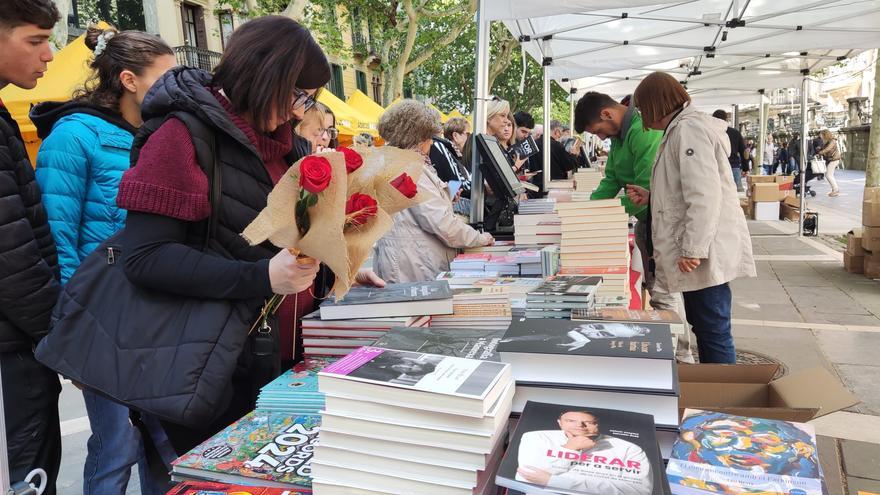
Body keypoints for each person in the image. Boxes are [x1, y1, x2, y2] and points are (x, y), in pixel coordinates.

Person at [112, 17, 385, 463]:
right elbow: (145, 258)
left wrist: (341, 264)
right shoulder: (180, 137)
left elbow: (297, 238)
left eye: (308, 99)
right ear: (264, 76)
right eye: (297, 95)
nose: (301, 110)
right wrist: (260, 276)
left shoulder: (287, 144)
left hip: (280, 360)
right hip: (207, 366)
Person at [30, 25, 176, 495]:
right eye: (165, 77)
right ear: (130, 80)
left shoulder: (159, 137)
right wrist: (72, 322)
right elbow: (56, 237)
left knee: (166, 442)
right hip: (98, 315)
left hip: (156, 313)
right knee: (116, 442)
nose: (175, 88)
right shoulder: (73, 137)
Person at [626, 71, 756, 364]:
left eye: (645, 110)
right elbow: (686, 189)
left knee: (712, 329)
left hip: (703, 250)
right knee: (708, 326)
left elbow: (703, 194)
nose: (644, 119)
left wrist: (693, 249)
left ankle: (723, 400)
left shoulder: (688, 130)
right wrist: (652, 195)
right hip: (700, 249)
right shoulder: (681, 128)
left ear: (656, 105)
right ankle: (719, 395)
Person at [575, 91, 693, 363]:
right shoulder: (620, 136)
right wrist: (585, 213)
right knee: (658, 288)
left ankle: (682, 356)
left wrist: (606, 213)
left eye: (599, 131)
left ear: (607, 114)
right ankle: (676, 350)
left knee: (666, 291)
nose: (601, 138)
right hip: (646, 220)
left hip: (660, 221)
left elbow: (645, 188)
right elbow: (612, 179)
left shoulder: (641, 130)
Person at [0, 2, 62, 492]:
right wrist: (56, 331)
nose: (48, 55)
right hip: (14, 343)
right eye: (36, 40)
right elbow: (11, 251)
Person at [373, 100, 493, 283]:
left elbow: (417, 210)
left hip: (407, 261)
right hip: (414, 265)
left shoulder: (395, 161)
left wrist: (445, 197)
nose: (431, 143)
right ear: (420, 137)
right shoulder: (410, 167)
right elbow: (442, 224)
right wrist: (479, 238)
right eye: (430, 137)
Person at [516, 410, 653, 495]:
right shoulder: (536, 437)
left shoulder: (628, 448)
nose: (579, 426)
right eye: (571, 421)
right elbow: (526, 477)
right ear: (560, 423)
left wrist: (552, 481)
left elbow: (639, 491)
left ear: (598, 425)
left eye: (588, 422)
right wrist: (569, 449)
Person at [430, 119, 471, 215]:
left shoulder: (447, 149)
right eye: (468, 134)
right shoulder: (439, 146)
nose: (470, 138)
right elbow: (455, 184)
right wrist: (480, 185)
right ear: (455, 136)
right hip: (455, 205)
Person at [710, 110, 746, 192]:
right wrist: (745, 167)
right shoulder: (735, 133)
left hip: (715, 167)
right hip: (734, 166)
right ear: (726, 119)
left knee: (717, 193)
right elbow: (743, 151)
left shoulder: (709, 132)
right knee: (737, 195)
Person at [817, 129, 841, 197]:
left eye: (821, 135)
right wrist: (820, 149)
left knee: (828, 175)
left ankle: (835, 190)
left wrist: (821, 152)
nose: (820, 136)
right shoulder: (827, 141)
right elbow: (826, 149)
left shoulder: (832, 141)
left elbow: (828, 149)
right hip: (831, 159)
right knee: (829, 175)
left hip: (834, 159)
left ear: (825, 135)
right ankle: (834, 190)